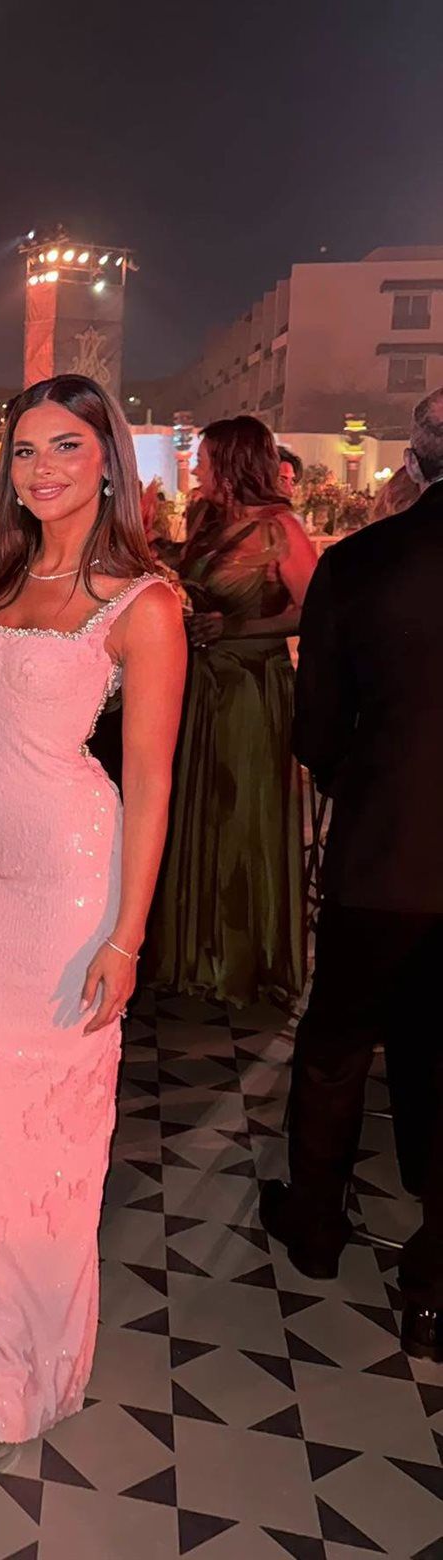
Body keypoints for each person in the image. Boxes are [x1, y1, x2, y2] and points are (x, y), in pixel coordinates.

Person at [0, 374, 185, 1467]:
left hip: (67, 887)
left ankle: (37, 1363)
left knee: (50, 1137)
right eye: (25, 451)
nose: (42, 470)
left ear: (109, 458)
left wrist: (127, 936)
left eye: (67, 446)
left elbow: (152, 784)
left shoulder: (145, 604)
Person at [261, 388, 443, 1362]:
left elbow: (319, 727)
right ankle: (432, 1285)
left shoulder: (365, 561)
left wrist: (355, 779)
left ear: (416, 460)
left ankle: (316, 1225)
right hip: (396, 841)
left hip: (385, 845)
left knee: (336, 1040)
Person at [145, 415, 318, 1006]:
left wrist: (236, 628)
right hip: (198, 683)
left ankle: (240, 961)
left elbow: (316, 611)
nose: (195, 468)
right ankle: (193, 954)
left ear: (232, 463)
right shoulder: (206, 518)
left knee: (240, 815)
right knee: (194, 811)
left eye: (204, 458)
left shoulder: (281, 529)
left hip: (250, 687)